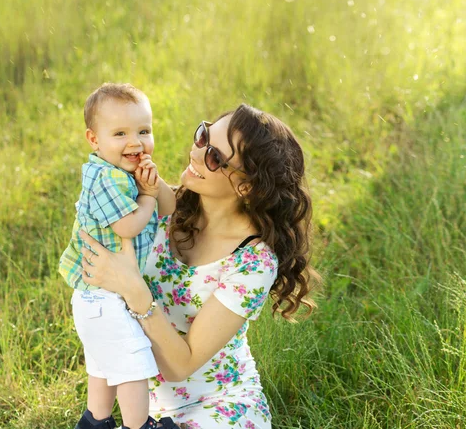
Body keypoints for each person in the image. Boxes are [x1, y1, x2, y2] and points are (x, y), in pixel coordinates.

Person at [78, 104, 319, 428]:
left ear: (245, 186)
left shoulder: (253, 261)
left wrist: (134, 290)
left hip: (216, 407)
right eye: (203, 136)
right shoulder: (161, 206)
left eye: (214, 157)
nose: (196, 151)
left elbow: (182, 365)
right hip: (140, 402)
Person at [58, 83, 177, 429]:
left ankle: (95, 422)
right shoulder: (106, 179)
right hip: (106, 297)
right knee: (131, 365)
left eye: (144, 131)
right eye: (120, 133)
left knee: (103, 369)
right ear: (94, 140)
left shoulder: (123, 173)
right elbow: (129, 227)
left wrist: (153, 186)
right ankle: (139, 426)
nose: (135, 142)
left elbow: (170, 207)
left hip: (100, 298)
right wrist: (148, 198)